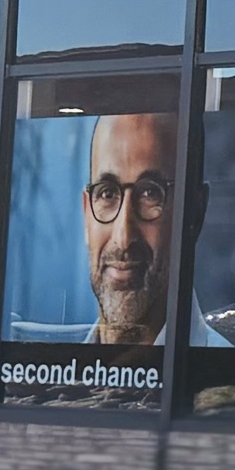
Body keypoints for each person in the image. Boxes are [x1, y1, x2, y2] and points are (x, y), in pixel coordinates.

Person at [81, 109, 176, 348]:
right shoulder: (53, 373)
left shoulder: (227, 378)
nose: (123, 239)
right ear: (86, 215)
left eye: (150, 193)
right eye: (107, 193)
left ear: (196, 212)